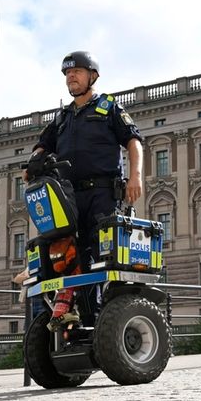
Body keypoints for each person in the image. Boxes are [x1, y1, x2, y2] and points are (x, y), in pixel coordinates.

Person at [25, 51, 144, 325]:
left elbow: (133, 141)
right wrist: (34, 160)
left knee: (101, 254)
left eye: (76, 72)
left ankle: (103, 314)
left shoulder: (108, 107)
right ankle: (72, 308)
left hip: (102, 193)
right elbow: (43, 145)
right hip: (68, 196)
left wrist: (135, 176)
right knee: (65, 252)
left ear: (92, 76)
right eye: (67, 73)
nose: (70, 77)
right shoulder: (63, 116)